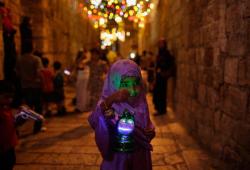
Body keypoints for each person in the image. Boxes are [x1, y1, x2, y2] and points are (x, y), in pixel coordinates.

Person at [88, 59, 155, 170]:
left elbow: (146, 123)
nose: (132, 90)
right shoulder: (108, 103)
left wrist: (149, 132)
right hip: (117, 159)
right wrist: (111, 99)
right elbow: (95, 120)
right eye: (125, 84)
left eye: (136, 84)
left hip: (139, 157)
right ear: (114, 83)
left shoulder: (140, 103)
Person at [16, 43, 44, 133]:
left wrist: (25, 78)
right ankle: (37, 128)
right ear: (32, 49)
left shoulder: (19, 59)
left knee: (27, 108)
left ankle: (17, 125)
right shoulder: (36, 59)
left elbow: (17, 73)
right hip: (35, 86)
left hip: (25, 86)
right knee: (38, 107)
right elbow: (39, 73)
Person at [153, 38, 175, 116]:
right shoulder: (159, 53)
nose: (160, 45)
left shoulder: (167, 54)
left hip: (163, 77)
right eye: (159, 43)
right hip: (159, 77)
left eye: (161, 43)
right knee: (157, 93)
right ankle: (158, 109)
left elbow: (170, 65)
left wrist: (165, 74)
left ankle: (162, 110)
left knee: (162, 93)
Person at [0, 80, 18, 170]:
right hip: (3, 148)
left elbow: (10, 124)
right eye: (6, 97)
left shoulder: (6, 108)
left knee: (10, 162)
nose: (10, 100)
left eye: (11, 97)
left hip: (9, 145)